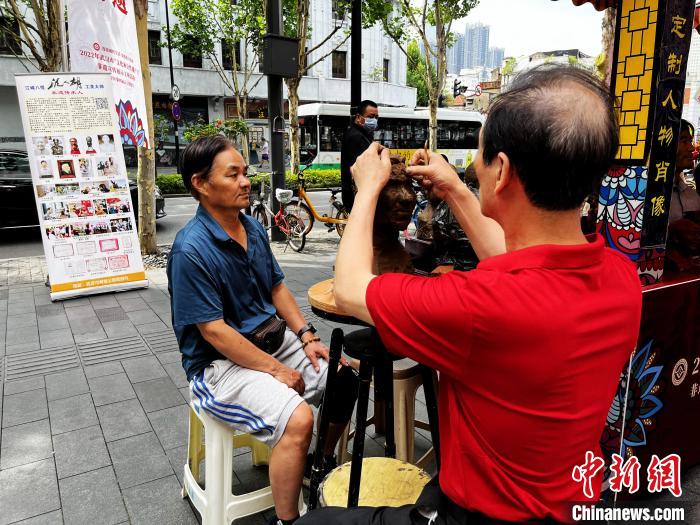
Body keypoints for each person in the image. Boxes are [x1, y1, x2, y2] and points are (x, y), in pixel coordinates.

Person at [299, 65, 642, 524]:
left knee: (318, 522)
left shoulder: (479, 304)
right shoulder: (622, 279)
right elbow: (519, 257)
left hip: (480, 515)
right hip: (572, 505)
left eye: (479, 155)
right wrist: (456, 190)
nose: (471, 165)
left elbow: (350, 289)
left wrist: (366, 191)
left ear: (501, 171)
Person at [167, 136, 357, 525]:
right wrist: (275, 371)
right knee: (298, 418)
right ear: (201, 183)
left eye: (245, 173)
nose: (245, 181)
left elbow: (276, 287)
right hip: (218, 367)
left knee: (343, 376)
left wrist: (307, 336)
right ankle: (287, 521)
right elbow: (215, 332)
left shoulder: (251, 227)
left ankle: (313, 464)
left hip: (272, 342)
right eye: (232, 174)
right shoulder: (190, 250)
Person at [665, 119, 700, 273]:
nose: (691, 147)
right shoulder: (641, 194)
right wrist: (671, 231)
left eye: (690, 141)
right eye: (684, 140)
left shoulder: (692, 195)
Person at [340, 100, 378, 212]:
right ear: (358, 117)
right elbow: (363, 167)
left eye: (376, 117)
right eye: (371, 117)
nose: (374, 120)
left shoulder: (362, 135)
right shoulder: (356, 137)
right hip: (358, 196)